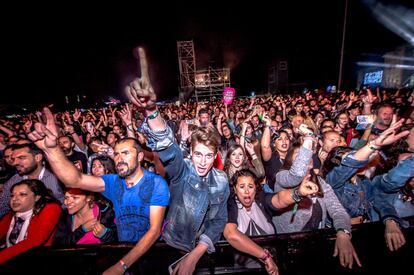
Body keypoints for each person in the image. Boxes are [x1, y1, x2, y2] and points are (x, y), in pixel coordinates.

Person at [27, 105, 169, 274]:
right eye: (116, 154)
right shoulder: (113, 182)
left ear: (139, 157)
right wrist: (51, 149)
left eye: (125, 153)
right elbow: (75, 179)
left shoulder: (156, 183)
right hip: (123, 250)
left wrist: (120, 266)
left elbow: (154, 231)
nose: (119, 159)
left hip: (150, 255)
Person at [127, 47, 229, 275]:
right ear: (191, 154)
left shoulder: (222, 180)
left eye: (208, 156)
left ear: (215, 156)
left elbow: (218, 220)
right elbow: (167, 146)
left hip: (203, 252)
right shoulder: (183, 171)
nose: (203, 161)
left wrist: (196, 254)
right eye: (198, 154)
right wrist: (152, 110)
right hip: (172, 246)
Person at [224, 169, 318, 275]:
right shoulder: (230, 205)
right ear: (235, 190)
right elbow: (231, 234)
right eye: (242, 187)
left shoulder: (261, 199)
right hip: (245, 269)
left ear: (255, 188)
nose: (246, 191)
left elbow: (279, 199)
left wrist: (298, 193)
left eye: (250, 186)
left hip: (272, 267)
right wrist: (265, 256)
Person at [0, 179, 61, 264]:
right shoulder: (12, 214)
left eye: (22, 194)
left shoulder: (51, 208)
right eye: (12, 195)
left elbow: (34, 241)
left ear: (37, 197)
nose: (14, 199)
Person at [0, 143, 64, 218]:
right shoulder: (14, 180)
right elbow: (3, 207)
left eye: (22, 158)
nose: (15, 163)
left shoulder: (56, 179)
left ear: (38, 158)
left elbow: (64, 209)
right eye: (14, 159)